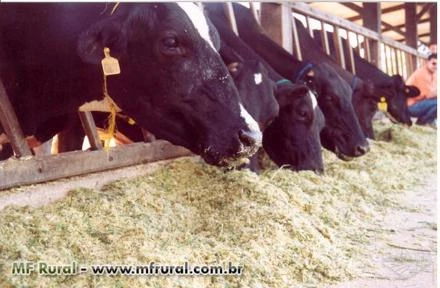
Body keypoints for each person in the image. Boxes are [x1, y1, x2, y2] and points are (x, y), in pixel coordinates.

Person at [406, 53, 437, 126]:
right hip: (411, 106)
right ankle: (423, 124)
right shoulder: (421, 74)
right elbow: (429, 95)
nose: (436, 66)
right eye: (434, 63)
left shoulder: (434, 74)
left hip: (421, 103)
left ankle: (423, 123)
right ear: (427, 62)